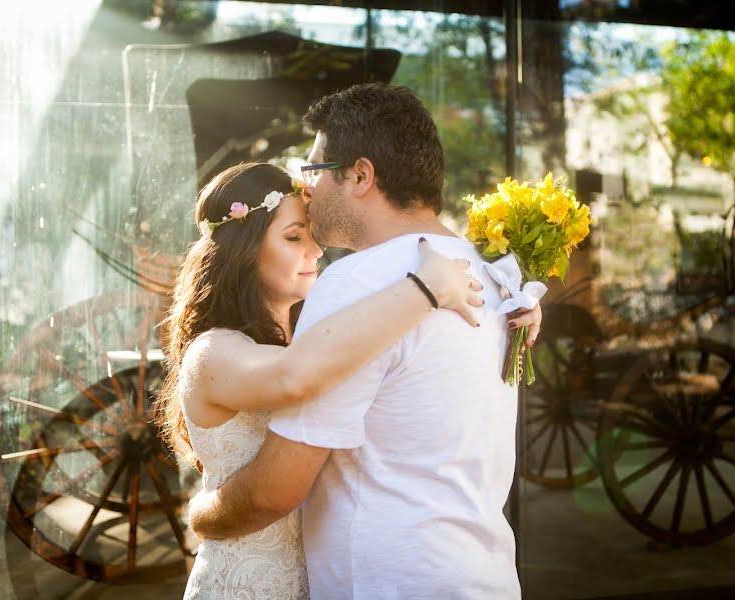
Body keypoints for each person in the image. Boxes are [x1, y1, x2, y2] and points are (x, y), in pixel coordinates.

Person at [187, 84, 542, 599]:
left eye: (314, 171)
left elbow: (273, 492)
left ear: (360, 175)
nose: (307, 190)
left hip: (388, 583)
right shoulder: (498, 279)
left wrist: (202, 514)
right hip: (484, 575)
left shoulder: (356, 283)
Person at [158, 161, 491, 599]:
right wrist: (425, 288)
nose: (315, 251)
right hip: (247, 585)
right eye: (294, 236)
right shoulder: (213, 351)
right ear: (243, 247)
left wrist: (511, 301)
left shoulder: (317, 337)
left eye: (311, 235)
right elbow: (294, 377)